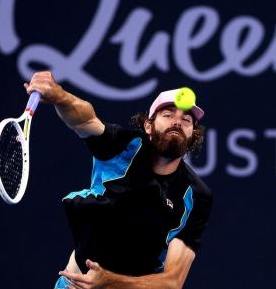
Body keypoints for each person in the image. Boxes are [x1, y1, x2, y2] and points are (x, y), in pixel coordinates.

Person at [24, 71, 213, 289]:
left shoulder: (196, 195)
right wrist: (60, 95)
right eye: (168, 115)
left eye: (186, 120)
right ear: (148, 126)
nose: (177, 122)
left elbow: (173, 282)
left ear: (193, 136)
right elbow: (85, 119)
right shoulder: (122, 147)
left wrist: (109, 282)